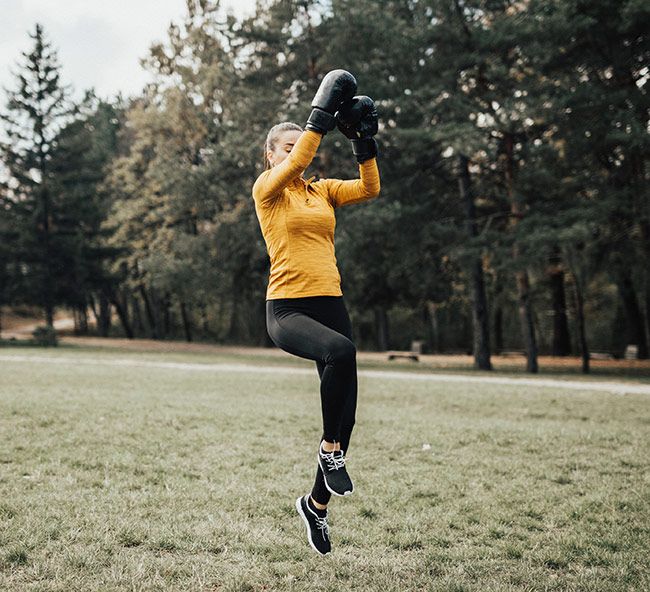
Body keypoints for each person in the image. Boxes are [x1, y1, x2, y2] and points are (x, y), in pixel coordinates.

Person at [251, 70, 381, 556]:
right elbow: (302, 155)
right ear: (271, 155)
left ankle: (316, 506)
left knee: (346, 416)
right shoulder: (269, 189)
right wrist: (318, 118)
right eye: (286, 148)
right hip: (288, 308)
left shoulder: (321, 191)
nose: (296, 154)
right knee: (339, 352)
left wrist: (364, 144)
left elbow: (369, 189)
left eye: (297, 147)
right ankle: (329, 454)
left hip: (331, 301)